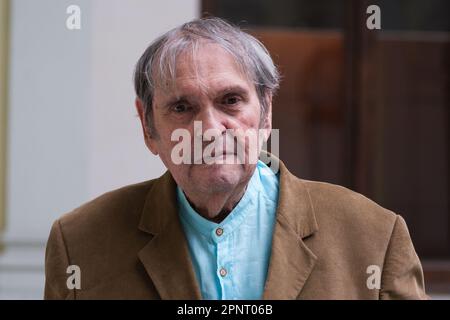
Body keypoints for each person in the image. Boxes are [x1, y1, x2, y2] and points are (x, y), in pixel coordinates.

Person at [44, 17, 427, 300]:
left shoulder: (375, 238)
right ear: (148, 127)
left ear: (266, 113)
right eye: (182, 106)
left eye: (230, 100)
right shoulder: (80, 244)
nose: (210, 128)